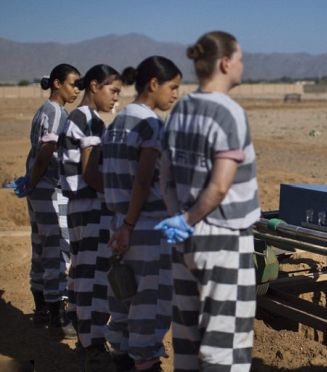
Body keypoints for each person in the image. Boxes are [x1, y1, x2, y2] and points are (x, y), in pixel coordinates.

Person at [156, 31, 260, 371]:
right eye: (240, 58)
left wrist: (179, 220)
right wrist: (188, 220)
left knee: (187, 336)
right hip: (223, 238)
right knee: (225, 343)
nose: (243, 65)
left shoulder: (182, 108)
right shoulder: (228, 113)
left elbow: (165, 177)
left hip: (185, 240)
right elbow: (219, 187)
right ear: (225, 63)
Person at [101, 56, 181, 372]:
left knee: (123, 300)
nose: (175, 95)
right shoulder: (150, 125)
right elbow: (144, 180)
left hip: (118, 225)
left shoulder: (117, 123)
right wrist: (131, 224)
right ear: (153, 84)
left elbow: (100, 173)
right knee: (150, 306)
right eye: (172, 87)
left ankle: (120, 361)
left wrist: (121, 224)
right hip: (143, 230)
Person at [59, 64, 123, 371]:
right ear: (94, 86)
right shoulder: (88, 119)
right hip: (91, 208)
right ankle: (94, 344)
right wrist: (116, 197)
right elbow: (90, 171)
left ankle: (85, 337)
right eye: (113, 91)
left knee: (82, 274)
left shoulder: (80, 117)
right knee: (95, 278)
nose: (115, 99)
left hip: (80, 208)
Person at [16, 64, 80, 338]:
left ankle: (42, 309)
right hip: (49, 189)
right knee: (57, 250)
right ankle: (58, 316)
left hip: (39, 189)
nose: (76, 90)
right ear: (57, 83)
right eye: (72, 84)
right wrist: (34, 180)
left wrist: (31, 182)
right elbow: (47, 151)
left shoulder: (46, 110)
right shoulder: (55, 113)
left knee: (41, 247)